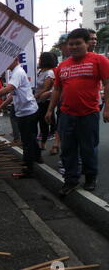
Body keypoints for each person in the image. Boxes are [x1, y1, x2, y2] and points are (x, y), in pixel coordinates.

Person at [45, 28, 109, 195]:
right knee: (68, 149)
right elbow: (57, 90)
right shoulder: (62, 66)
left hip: (89, 113)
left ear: (87, 43)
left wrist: (107, 108)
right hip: (66, 114)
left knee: (88, 148)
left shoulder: (99, 60)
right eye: (70, 44)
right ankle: (71, 180)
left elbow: (108, 84)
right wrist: (50, 110)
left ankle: (90, 177)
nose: (73, 47)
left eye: (77, 43)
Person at [0, 56, 41, 179]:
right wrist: (1, 107)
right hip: (27, 111)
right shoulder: (15, 72)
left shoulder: (17, 72)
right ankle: (37, 157)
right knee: (31, 138)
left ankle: (28, 170)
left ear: (16, 59)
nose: (4, 63)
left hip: (27, 112)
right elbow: (12, 95)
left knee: (27, 142)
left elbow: (8, 89)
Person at [34, 52, 57, 151]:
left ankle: (43, 143)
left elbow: (46, 88)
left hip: (44, 101)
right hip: (37, 100)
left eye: (40, 59)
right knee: (36, 121)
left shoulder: (49, 73)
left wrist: (36, 96)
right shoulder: (40, 71)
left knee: (43, 123)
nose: (39, 60)